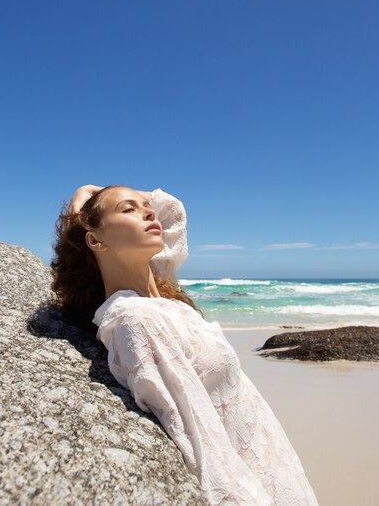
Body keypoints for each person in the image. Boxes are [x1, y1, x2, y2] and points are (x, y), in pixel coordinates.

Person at [51, 184, 319, 506]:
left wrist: (83, 202)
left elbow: (172, 211)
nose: (148, 212)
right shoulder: (138, 322)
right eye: (128, 209)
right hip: (257, 488)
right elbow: (200, 442)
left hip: (278, 468)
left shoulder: (164, 299)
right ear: (95, 241)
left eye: (144, 206)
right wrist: (81, 213)